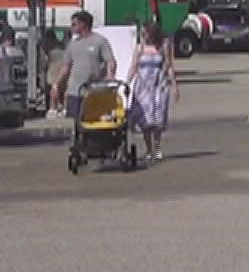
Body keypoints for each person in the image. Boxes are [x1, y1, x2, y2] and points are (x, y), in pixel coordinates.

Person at [125, 21, 179, 161]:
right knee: (146, 122)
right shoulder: (140, 48)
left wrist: (174, 86)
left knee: (157, 122)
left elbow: (169, 67)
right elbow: (133, 67)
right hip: (143, 88)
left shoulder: (163, 47)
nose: (144, 35)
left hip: (158, 86)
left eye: (146, 32)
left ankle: (157, 148)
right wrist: (126, 83)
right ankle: (149, 150)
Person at [52, 10, 115, 122]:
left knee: (92, 121)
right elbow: (65, 67)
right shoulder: (73, 44)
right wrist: (56, 84)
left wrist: (110, 76)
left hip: (92, 91)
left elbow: (110, 61)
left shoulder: (99, 41)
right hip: (74, 91)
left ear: (83, 24)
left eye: (74, 24)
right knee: (74, 122)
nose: (72, 27)